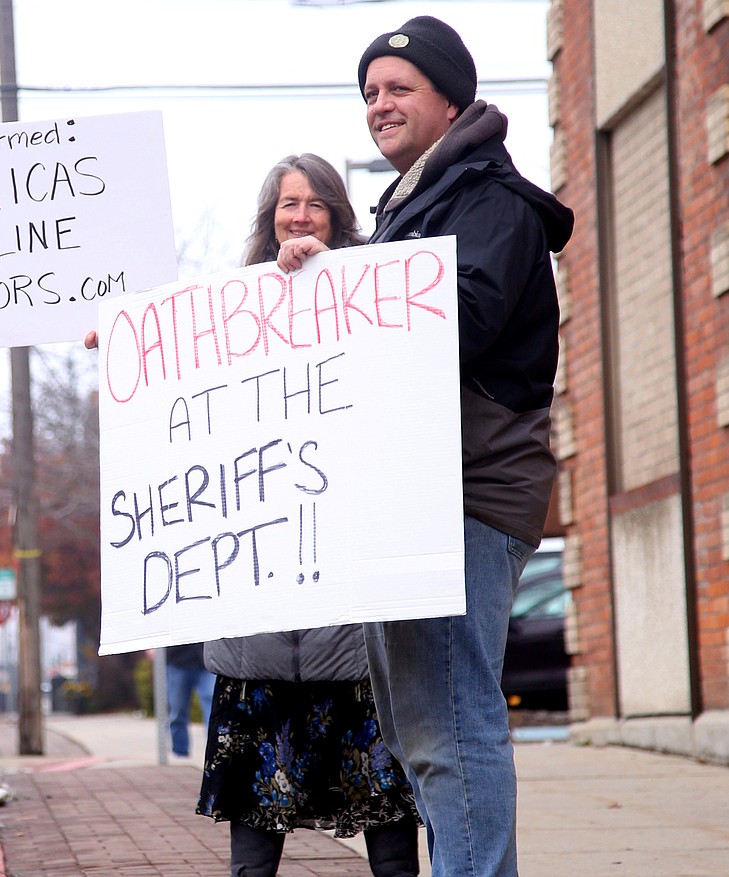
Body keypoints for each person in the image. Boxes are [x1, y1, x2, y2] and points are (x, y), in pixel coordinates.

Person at [277, 18, 574, 877]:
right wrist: (323, 268)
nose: (380, 105)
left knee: (448, 722)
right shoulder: (419, 203)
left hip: (468, 494)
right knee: (424, 729)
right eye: (369, 92)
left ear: (452, 100)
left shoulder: (490, 201)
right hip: (419, 495)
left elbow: (459, 323)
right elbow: (381, 324)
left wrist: (348, 281)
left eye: (399, 88)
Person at [196, 153, 421, 877]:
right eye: (286, 204)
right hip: (256, 632)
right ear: (268, 220)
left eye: (314, 203)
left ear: (337, 216)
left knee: (389, 822)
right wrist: (122, 352)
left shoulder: (380, 298)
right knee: (253, 850)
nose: (299, 215)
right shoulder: (220, 318)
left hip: (351, 634)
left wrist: (336, 281)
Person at [164, 643, 215, 758]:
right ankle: (180, 751)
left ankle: (213, 750)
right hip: (178, 660)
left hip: (206, 662)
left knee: (212, 706)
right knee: (178, 709)